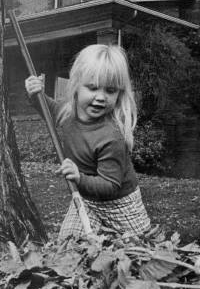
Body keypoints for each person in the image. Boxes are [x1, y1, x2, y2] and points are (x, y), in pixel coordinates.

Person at [25, 44, 150, 241]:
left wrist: (78, 178)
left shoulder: (111, 136)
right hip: (87, 200)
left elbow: (110, 185)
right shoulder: (67, 114)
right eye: (92, 87)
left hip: (121, 204)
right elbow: (49, 110)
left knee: (135, 253)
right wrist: (36, 95)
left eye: (110, 90)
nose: (100, 97)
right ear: (75, 85)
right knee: (69, 246)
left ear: (119, 94)